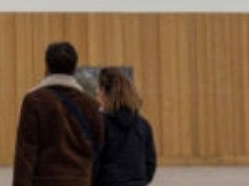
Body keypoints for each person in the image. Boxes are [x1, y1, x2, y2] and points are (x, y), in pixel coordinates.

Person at [13, 41, 104, 186]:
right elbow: (99, 150)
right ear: (74, 68)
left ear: (47, 67)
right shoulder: (92, 105)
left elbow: (26, 154)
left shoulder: (34, 101)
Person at [94, 69, 156, 186]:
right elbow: (150, 164)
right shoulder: (143, 125)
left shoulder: (100, 124)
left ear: (104, 92)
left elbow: (94, 162)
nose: (97, 96)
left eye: (98, 91)